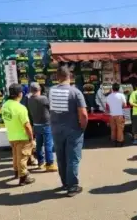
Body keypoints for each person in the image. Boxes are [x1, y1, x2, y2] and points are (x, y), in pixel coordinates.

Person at [49, 65, 88, 197]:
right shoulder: (75, 92)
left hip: (56, 129)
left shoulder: (51, 91)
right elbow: (83, 114)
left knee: (61, 157)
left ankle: (65, 183)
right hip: (72, 129)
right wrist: (82, 127)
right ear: (70, 76)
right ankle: (72, 187)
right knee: (73, 158)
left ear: (57, 77)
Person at [1, 83, 35, 186]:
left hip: (11, 136)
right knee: (23, 157)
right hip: (22, 136)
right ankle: (23, 178)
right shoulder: (20, 108)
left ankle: (17, 173)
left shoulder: (5, 105)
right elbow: (27, 125)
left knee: (16, 156)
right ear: (20, 94)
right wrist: (31, 137)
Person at [28, 82, 58, 172]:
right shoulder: (43, 98)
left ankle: (41, 162)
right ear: (39, 90)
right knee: (48, 144)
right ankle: (50, 164)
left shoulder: (29, 99)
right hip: (46, 124)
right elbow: (51, 108)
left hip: (36, 125)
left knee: (39, 145)